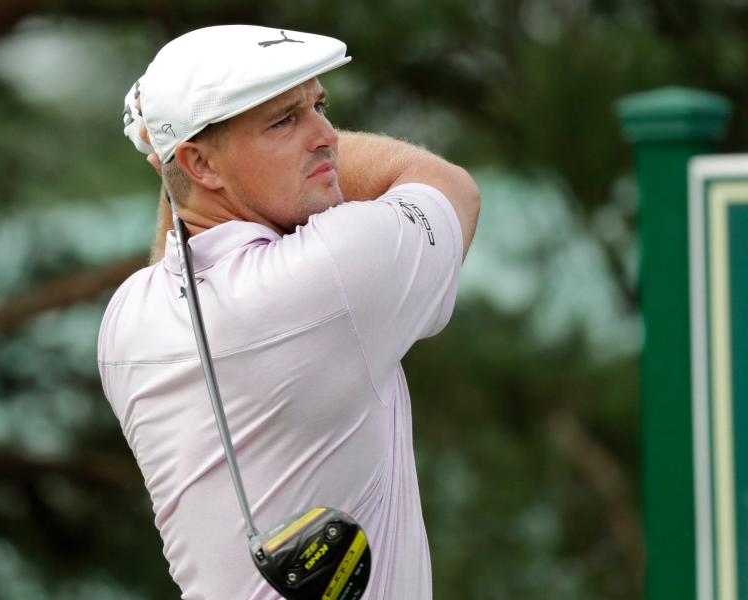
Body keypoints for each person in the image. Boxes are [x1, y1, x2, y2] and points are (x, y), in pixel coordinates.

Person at [98, 25, 480, 599]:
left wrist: (173, 158)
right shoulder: (333, 274)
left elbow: (178, 226)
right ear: (201, 165)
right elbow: (449, 187)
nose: (327, 135)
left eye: (320, 106)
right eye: (285, 119)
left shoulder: (126, 318)